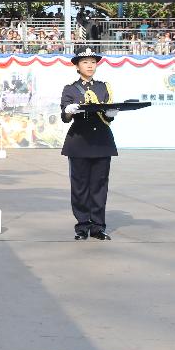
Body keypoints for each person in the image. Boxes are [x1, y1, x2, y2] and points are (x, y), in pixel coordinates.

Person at [60, 47, 118, 241]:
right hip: (79, 142)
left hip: (102, 142)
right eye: (85, 62)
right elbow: (65, 117)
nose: (90, 65)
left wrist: (111, 113)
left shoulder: (103, 87)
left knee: (100, 186)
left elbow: (108, 115)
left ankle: (98, 227)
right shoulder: (70, 89)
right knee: (80, 186)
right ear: (77, 66)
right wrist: (69, 110)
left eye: (93, 62)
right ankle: (82, 226)